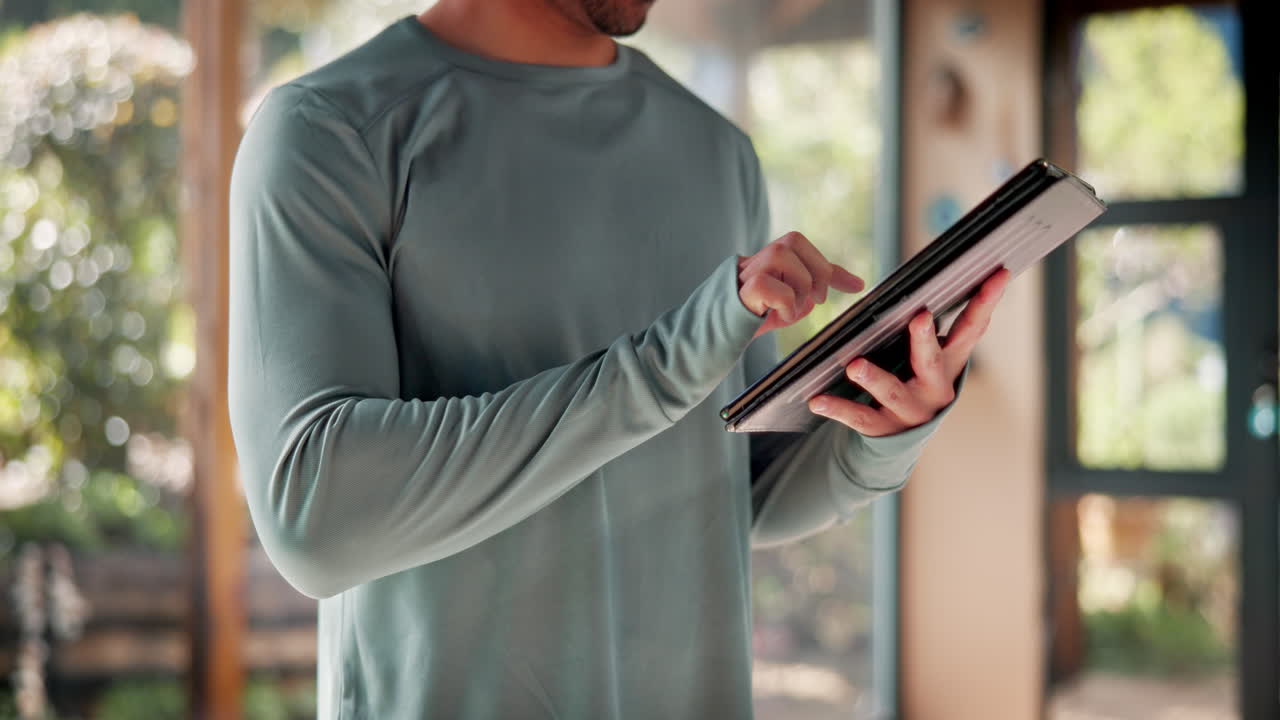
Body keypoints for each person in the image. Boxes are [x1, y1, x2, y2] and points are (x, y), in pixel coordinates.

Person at [226, 0, 1010, 717]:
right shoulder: (329, 129)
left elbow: (736, 492)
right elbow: (314, 515)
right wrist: (669, 363)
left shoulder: (715, 150)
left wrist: (880, 432)